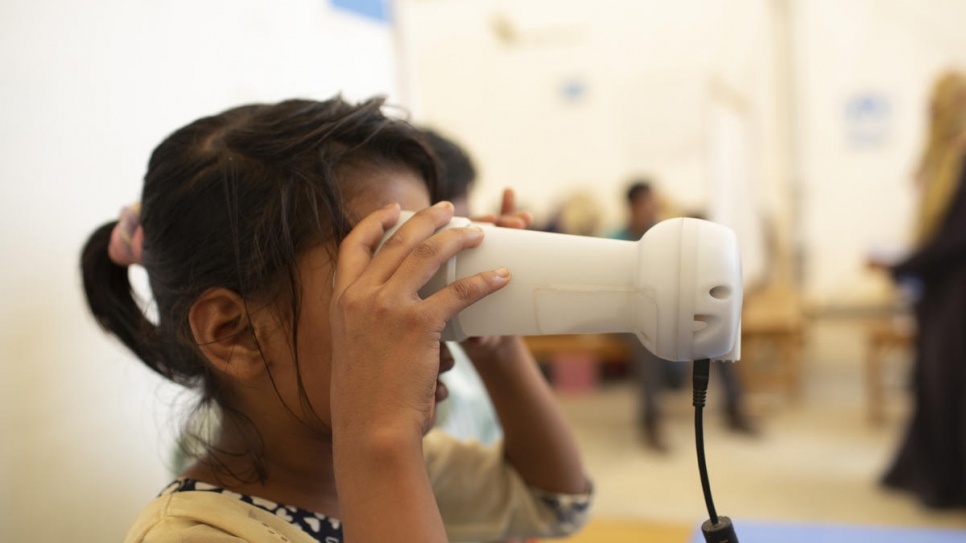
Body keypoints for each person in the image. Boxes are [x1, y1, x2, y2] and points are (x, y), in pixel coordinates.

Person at [81, 96, 592, 543]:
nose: (428, 314)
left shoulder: (406, 470)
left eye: (429, 274)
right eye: (383, 279)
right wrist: (382, 437)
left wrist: (497, 345)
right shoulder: (194, 536)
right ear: (235, 333)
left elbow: (554, 504)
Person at [608, 180, 756, 452]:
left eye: (655, 203)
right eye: (648, 203)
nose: (654, 208)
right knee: (646, 339)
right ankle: (650, 421)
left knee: (718, 328)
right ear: (633, 207)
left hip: (664, 312)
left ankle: (735, 409)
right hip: (623, 318)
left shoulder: (664, 236)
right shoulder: (614, 240)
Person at [880, 70, 966, 509]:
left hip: (956, 293)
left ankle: (947, 483)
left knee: (947, 385)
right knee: (930, 383)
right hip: (938, 290)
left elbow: (956, 237)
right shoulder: (942, 157)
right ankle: (921, 470)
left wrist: (904, 265)